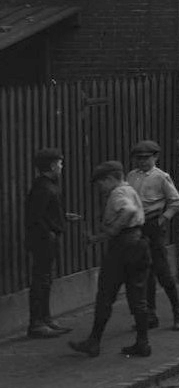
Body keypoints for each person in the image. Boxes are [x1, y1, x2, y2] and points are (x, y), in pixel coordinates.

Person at [69, 161, 151, 358]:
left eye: (100, 183)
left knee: (105, 296)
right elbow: (130, 222)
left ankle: (94, 342)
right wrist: (96, 239)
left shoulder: (118, 193)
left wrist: (113, 229)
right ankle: (143, 343)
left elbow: (128, 211)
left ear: (110, 179)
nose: (100, 188)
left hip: (122, 251)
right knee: (138, 296)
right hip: (139, 244)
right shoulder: (130, 189)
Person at [126, 140, 179, 331]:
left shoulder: (161, 177)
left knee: (162, 271)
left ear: (155, 157)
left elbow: (176, 202)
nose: (142, 162)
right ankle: (150, 315)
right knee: (144, 271)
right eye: (139, 159)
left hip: (154, 225)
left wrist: (162, 219)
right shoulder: (131, 176)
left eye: (146, 158)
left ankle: (178, 311)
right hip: (137, 226)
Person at [25, 147, 79, 338]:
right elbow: (35, 217)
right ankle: (37, 324)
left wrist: (62, 217)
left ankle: (45, 318)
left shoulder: (47, 185)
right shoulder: (43, 187)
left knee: (46, 279)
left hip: (48, 238)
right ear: (52, 165)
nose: (62, 167)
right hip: (44, 240)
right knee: (41, 280)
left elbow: (46, 212)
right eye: (59, 163)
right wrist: (49, 233)